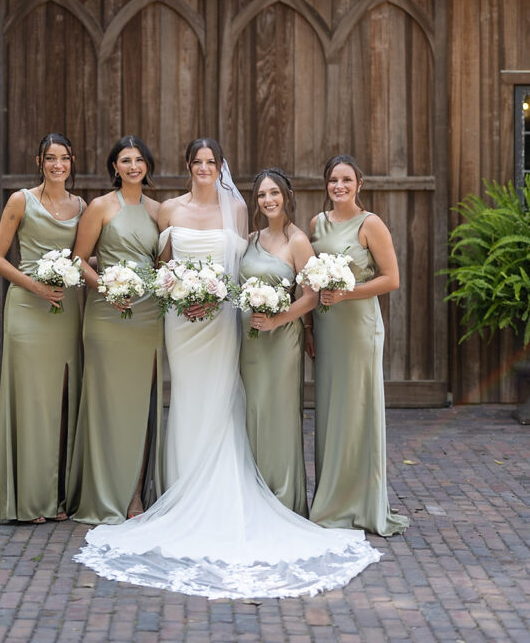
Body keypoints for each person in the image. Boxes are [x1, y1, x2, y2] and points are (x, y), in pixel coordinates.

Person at [74, 139, 381, 599]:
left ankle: (224, 487)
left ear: (220, 168)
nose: (203, 168)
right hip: (180, 322)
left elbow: (244, 270)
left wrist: (240, 304)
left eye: (210, 162)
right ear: (186, 167)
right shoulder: (167, 211)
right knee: (187, 399)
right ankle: (177, 487)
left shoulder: (238, 212)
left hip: (221, 321)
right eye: (196, 162)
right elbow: (160, 265)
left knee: (221, 398)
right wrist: (177, 290)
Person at [308, 154, 409, 537]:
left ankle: (360, 504)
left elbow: (391, 279)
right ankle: (330, 499)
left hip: (360, 327)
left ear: (359, 184)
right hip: (327, 326)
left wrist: (347, 293)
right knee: (330, 410)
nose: (339, 186)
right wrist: (308, 328)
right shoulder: (316, 223)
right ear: (326, 184)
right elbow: (308, 280)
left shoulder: (371, 224)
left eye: (346, 180)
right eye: (333, 180)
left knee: (359, 409)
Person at [0, 133, 85, 524]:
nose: (57, 165)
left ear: (72, 161)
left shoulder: (82, 205)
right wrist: (36, 286)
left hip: (66, 310)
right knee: (31, 402)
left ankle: (58, 497)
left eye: (64, 158)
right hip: (28, 308)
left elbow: (85, 254)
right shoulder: (20, 200)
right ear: (39, 161)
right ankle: (28, 501)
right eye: (50, 158)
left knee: (63, 399)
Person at [69, 136, 161, 524]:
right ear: (114, 167)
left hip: (147, 316)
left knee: (140, 405)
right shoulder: (100, 207)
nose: (133, 166)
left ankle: (135, 494)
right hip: (107, 315)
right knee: (108, 404)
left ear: (147, 166)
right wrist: (106, 287)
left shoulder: (159, 210)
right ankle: (103, 491)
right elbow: (78, 260)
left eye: (139, 160)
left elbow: (163, 264)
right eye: (126, 160)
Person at [239, 168, 317, 517]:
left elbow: (312, 296)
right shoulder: (252, 239)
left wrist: (277, 320)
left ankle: (284, 498)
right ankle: (254, 490)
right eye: (261, 195)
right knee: (253, 410)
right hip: (251, 340)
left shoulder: (297, 240)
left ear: (286, 196)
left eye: (274, 193)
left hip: (283, 338)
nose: (268, 200)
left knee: (281, 413)